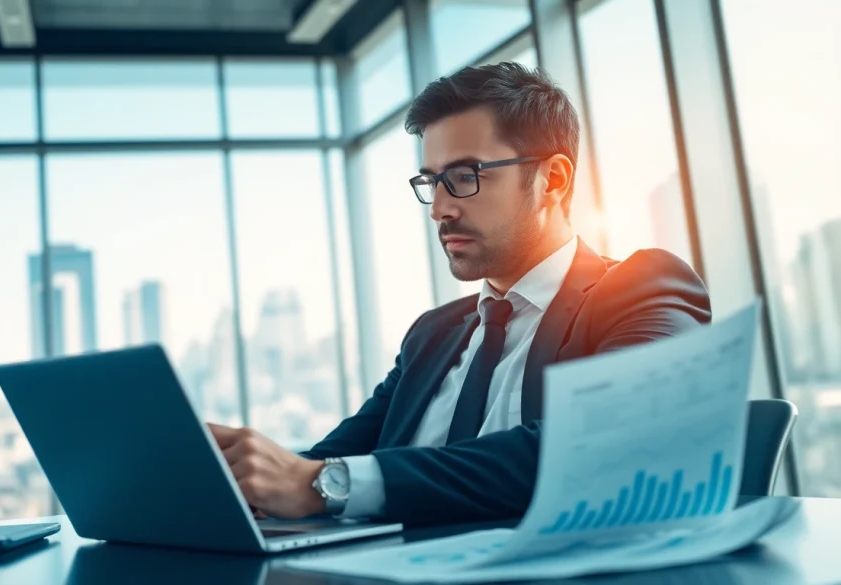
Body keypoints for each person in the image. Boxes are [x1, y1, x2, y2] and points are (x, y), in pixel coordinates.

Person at [208, 62, 711, 526]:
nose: (439, 209)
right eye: (432, 182)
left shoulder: (643, 290)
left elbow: (603, 445)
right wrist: (241, 480)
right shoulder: (432, 334)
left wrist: (325, 485)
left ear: (553, 180)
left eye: (464, 177)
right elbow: (326, 462)